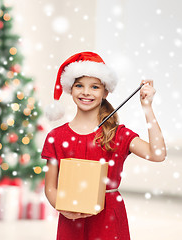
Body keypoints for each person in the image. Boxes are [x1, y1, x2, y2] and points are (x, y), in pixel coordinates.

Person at [41, 51, 166, 240]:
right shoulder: (56, 136)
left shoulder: (118, 134)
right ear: (71, 89)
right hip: (70, 220)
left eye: (94, 87)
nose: (86, 92)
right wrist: (62, 208)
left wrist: (147, 107)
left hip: (109, 221)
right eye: (79, 85)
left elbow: (157, 154)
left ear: (105, 92)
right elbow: (51, 187)